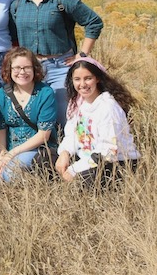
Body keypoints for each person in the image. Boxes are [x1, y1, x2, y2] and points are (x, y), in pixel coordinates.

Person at [10, 0, 103, 126]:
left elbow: (94, 22)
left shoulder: (62, 0)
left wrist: (82, 55)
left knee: (65, 115)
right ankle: (46, 150)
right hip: (31, 68)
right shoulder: (17, 6)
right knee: (36, 115)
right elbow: (11, 34)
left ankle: (68, 150)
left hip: (60, 66)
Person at [55, 58, 140, 188]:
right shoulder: (76, 103)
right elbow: (71, 135)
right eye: (77, 79)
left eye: (88, 78)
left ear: (97, 79)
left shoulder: (108, 106)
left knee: (83, 182)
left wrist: (73, 170)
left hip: (114, 163)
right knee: (44, 158)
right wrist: (65, 153)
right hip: (85, 158)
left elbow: (108, 151)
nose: (82, 84)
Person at [0, 47, 58, 182]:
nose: (22, 72)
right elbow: (0, 128)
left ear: (35, 69)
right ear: (9, 70)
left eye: (27, 67)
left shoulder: (45, 93)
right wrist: (2, 155)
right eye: (17, 68)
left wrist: (12, 154)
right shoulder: (2, 94)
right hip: (10, 150)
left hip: (37, 149)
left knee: (9, 175)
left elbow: (43, 135)